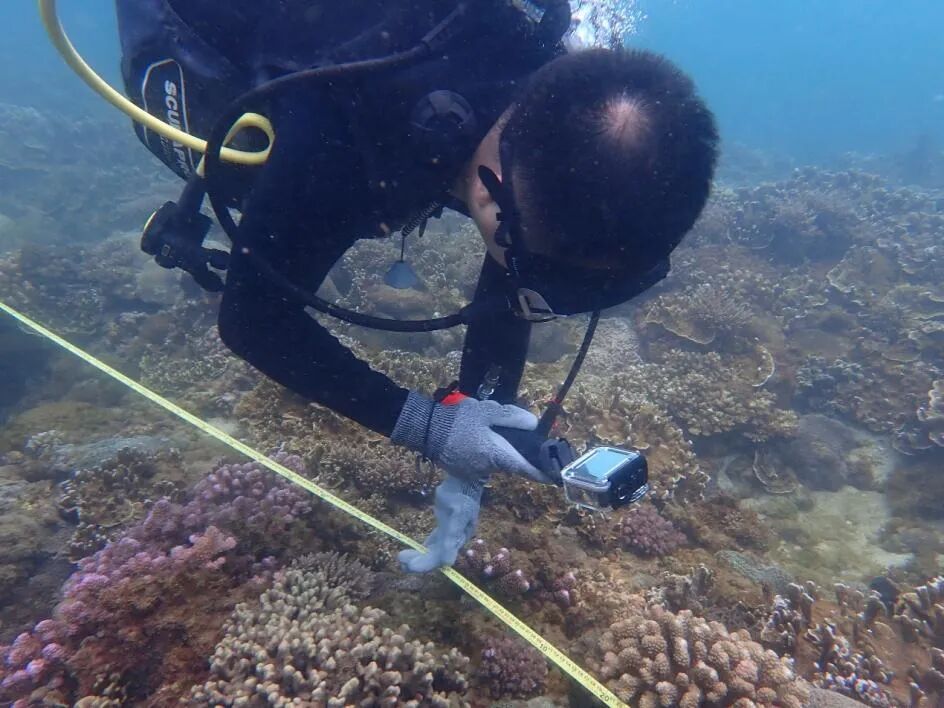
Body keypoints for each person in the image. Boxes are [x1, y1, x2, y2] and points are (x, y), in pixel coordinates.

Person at [117, 0, 719, 572]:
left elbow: (513, 264)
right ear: (488, 192)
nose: (537, 302)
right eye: (537, 278)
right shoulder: (340, 137)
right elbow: (253, 319)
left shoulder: (558, 104)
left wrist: (479, 420)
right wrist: (428, 428)